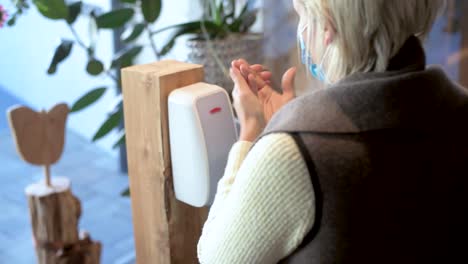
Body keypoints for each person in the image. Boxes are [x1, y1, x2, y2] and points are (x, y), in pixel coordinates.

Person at [197, 0, 468, 263]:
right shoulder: (459, 109)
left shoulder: (294, 153)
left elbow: (216, 257)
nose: (302, 31)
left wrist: (251, 132)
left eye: (301, 14)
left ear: (327, 25)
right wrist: (293, 122)